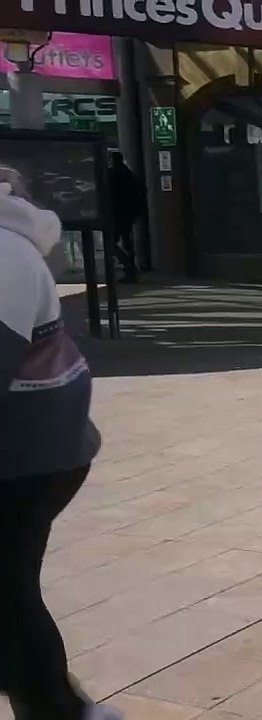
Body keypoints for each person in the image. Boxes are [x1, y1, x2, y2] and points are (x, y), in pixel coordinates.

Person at [0, 168, 121, 720]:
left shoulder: (5, 252)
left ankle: (57, 709)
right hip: (32, 443)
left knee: (6, 591)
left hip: (32, 454)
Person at [108, 152, 145, 284]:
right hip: (127, 215)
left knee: (110, 243)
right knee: (126, 242)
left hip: (118, 215)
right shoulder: (128, 174)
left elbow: (112, 195)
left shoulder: (115, 175)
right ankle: (131, 270)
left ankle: (129, 267)